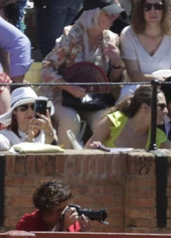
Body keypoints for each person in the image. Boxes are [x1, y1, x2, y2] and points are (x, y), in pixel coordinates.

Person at [42, 0, 126, 145]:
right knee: (70, 120)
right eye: (109, 14)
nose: (114, 18)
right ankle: (66, 163)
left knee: (107, 120)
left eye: (115, 14)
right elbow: (47, 68)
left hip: (95, 99)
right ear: (94, 14)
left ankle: (102, 163)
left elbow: (113, 81)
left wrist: (117, 62)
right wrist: (70, 88)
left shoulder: (112, 39)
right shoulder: (70, 35)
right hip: (64, 96)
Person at [120, 0, 171, 88]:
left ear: (165, 9)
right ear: (141, 10)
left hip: (168, 90)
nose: (152, 11)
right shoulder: (128, 34)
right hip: (137, 91)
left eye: (158, 6)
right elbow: (133, 74)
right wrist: (155, 79)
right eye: (147, 7)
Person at [85, 81, 168, 145]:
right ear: (144, 107)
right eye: (161, 106)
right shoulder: (113, 121)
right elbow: (85, 155)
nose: (166, 111)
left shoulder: (158, 137)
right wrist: (94, 151)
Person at [0, 81, 60, 146]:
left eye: (33, 107)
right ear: (15, 112)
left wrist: (49, 131)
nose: (30, 112)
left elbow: (54, 152)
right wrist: (29, 138)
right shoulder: (5, 135)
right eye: (23, 108)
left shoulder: (45, 130)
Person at [16, 178, 93, 230]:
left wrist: (82, 235)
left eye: (66, 208)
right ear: (46, 212)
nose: (64, 213)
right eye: (59, 210)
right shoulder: (27, 223)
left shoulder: (72, 224)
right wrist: (63, 230)